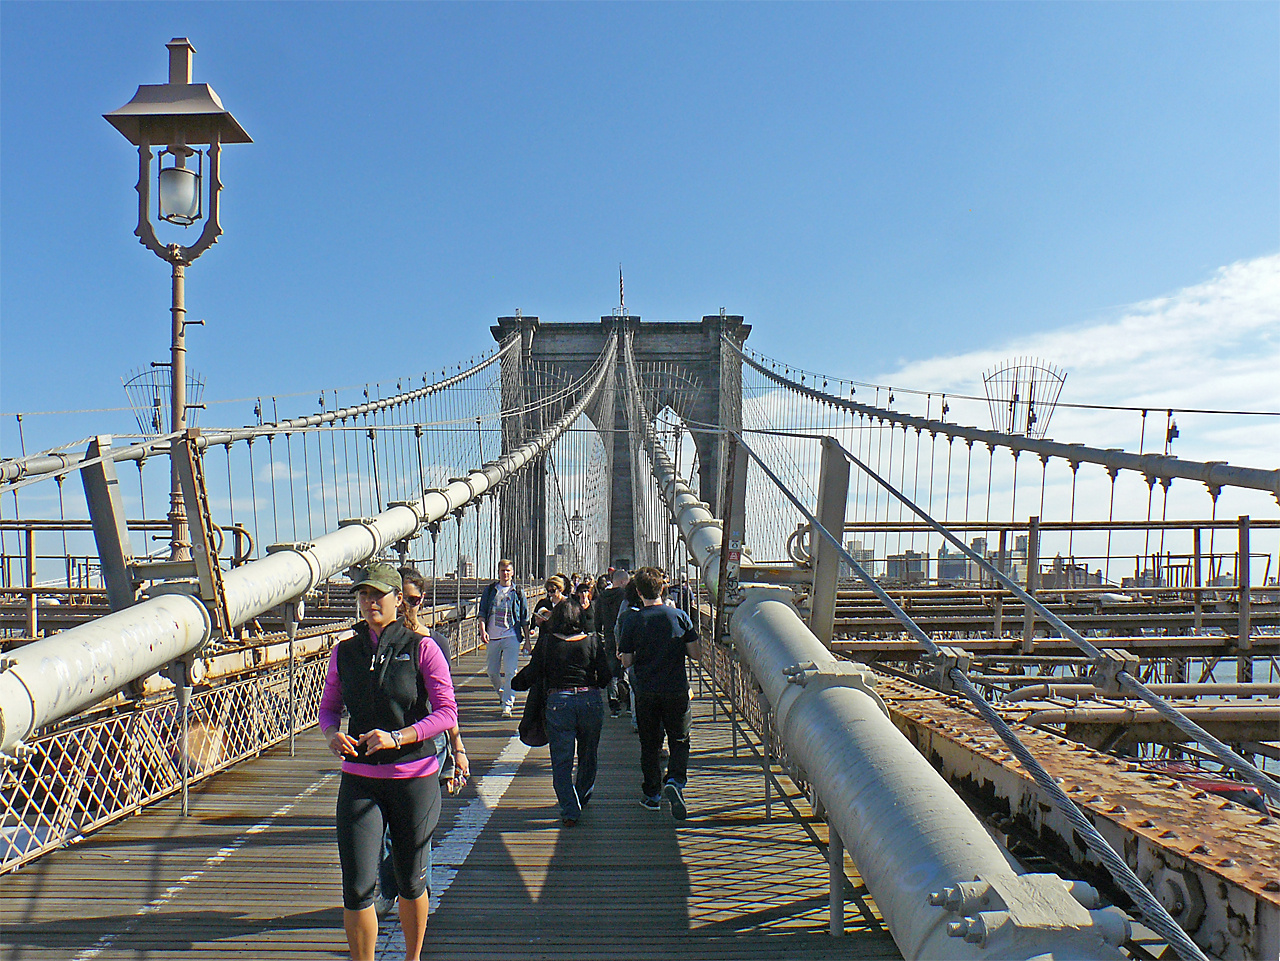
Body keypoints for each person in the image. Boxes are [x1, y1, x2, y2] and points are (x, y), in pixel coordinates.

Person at [318, 561, 458, 961]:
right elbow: (329, 707)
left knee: (411, 881)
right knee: (357, 885)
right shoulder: (344, 651)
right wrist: (332, 735)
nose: (369, 602)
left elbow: (447, 712)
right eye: (363, 594)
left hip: (414, 779)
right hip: (360, 780)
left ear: (399, 599)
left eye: (377, 594)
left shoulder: (423, 648)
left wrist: (398, 737)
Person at [370, 567, 470, 919]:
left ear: (420, 600)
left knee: (415, 828)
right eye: (402, 599)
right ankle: (391, 886)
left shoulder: (432, 644)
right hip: (378, 747)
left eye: (414, 600)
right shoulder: (369, 644)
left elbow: (446, 705)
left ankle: (414, 886)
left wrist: (457, 748)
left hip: (427, 745)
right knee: (383, 828)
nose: (408, 607)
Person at [617, 567, 699, 820]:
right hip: (676, 689)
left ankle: (652, 795)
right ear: (662, 588)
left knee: (650, 744)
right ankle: (675, 780)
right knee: (680, 739)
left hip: (646, 691)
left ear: (639, 592)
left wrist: (624, 656)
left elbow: (627, 661)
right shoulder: (679, 616)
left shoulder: (632, 620)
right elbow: (696, 654)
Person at [527, 596, 610, 825]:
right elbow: (604, 677)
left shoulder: (546, 643)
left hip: (558, 702)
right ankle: (581, 795)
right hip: (589, 701)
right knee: (588, 754)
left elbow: (533, 672)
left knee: (561, 760)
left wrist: (515, 684)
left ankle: (570, 808)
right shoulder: (593, 642)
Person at [477, 559, 528, 718]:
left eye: (508, 570)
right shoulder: (491, 590)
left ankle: (507, 705)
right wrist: (482, 630)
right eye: (502, 571)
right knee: (492, 672)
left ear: (512, 573)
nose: (505, 573)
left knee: (511, 672)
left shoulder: (518, 592)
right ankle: (502, 694)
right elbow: (482, 612)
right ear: (498, 572)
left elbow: (525, 617)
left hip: (511, 635)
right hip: (493, 636)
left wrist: (527, 640)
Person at [596, 568, 631, 718]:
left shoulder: (602, 597)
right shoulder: (626, 597)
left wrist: (599, 635)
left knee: (612, 671)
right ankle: (629, 702)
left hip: (609, 638)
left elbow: (597, 620)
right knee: (627, 669)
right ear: (623, 582)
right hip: (624, 636)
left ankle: (614, 705)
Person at [531, 575, 568, 647]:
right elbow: (534, 619)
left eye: (552, 591)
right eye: (548, 591)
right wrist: (536, 623)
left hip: (562, 641)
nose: (550, 594)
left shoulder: (568, 604)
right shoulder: (543, 602)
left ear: (560, 589)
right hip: (545, 640)